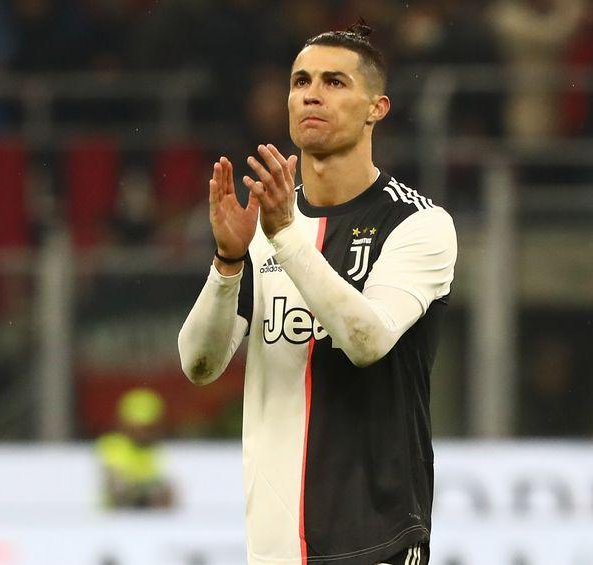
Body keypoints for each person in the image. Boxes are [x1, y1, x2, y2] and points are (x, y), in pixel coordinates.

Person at [178, 21, 457, 565]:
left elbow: (368, 341)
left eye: (334, 82)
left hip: (376, 541)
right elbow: (199, 364)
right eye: (300, 81)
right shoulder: (263, 228)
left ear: (377, 108)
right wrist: (228, 262)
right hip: (275, 548)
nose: (311, 93)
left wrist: (285, 237)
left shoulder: (418, 224)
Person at [96, 387, 175, 510]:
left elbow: (166, 493)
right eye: (137, 426)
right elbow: (115, 487)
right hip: (117, 518)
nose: (142, 432)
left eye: (148, 427)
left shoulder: (155, 449)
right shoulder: (113, 445)